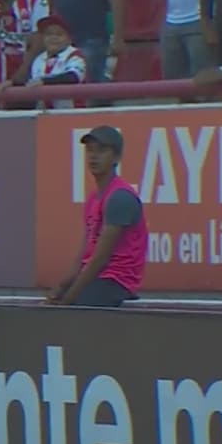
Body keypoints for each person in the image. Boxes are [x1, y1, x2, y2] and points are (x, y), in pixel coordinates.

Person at [46, 126, 147, 308]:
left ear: (116, 157)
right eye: (90, 150)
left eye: (101, 151)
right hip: (97, 278)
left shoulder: (120, 197)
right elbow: (84, 255)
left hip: (116, 281)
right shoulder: (94, 198)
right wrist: (60, 288)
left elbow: (100, 259)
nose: (93, 156)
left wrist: (69, 299)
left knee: (75, 308)